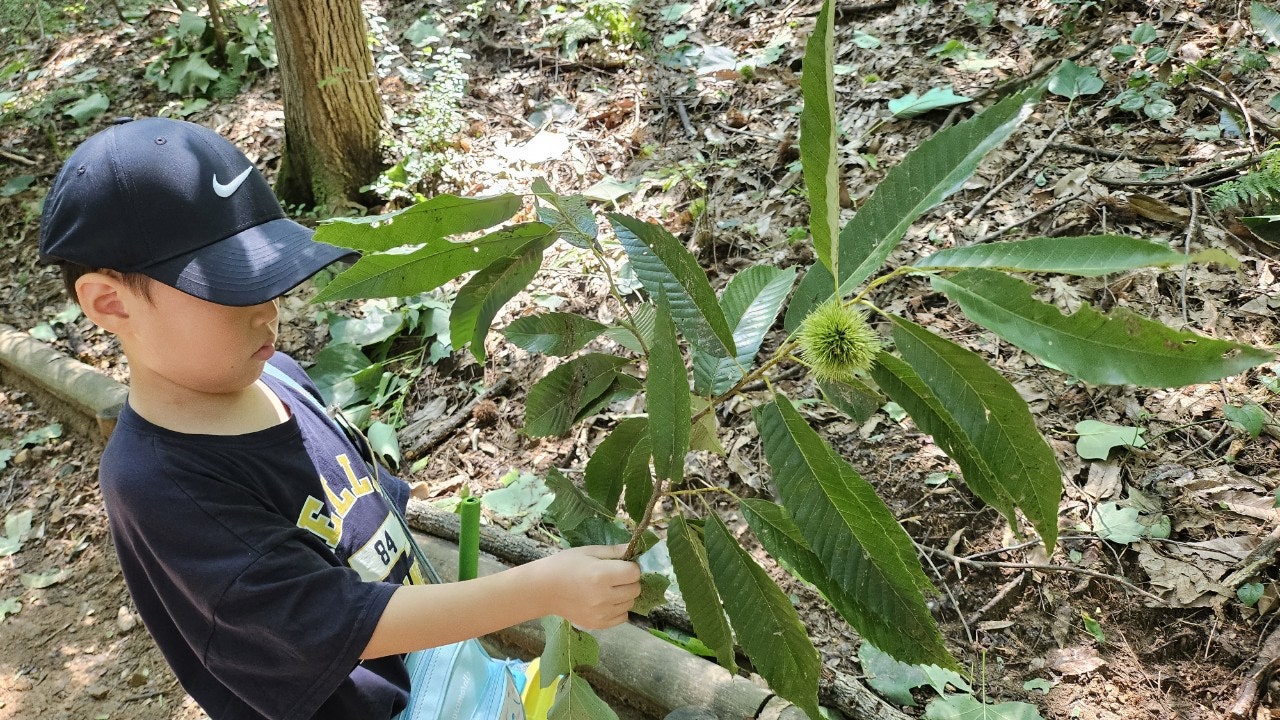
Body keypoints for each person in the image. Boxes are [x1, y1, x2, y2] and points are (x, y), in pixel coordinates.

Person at [37, 117, 641, 720]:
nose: (268, 310)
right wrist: (540, 590)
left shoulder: (274, 377)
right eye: (234, 288)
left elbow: (374, 516)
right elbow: (332, 623)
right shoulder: (160, 486)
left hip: (439, 669)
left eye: (272, 278)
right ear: (110, 303)